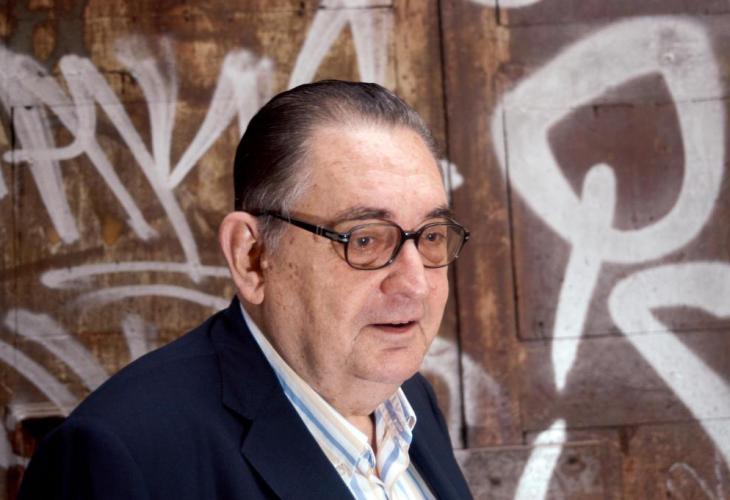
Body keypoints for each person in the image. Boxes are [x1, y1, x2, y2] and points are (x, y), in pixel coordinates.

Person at [18, 80, 473, 499]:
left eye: (431, 235)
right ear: (252, 257)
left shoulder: (406, 398)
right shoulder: (121, 457)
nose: (415, 284)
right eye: (365, 240)